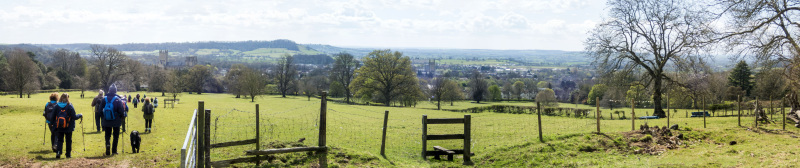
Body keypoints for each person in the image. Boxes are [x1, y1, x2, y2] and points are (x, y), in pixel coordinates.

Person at [51, 93, 82, 158]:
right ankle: (68, 154)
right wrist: (80, 115)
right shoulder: (70, 106)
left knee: (60, 140)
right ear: (68, 98)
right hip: (69, 127)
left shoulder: (57, 106)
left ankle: (58, 153)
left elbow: (53, 116)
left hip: (59, 126)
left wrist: (52, 124)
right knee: (68, 140)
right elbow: (74, 117)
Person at [100, 84, 127, 156]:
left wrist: (104, 117)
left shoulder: (104, 99)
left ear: (109, 90)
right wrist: (122, 116)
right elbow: (121, 111)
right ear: (115, 91)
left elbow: (100, 111)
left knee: (107, 135)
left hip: (106, 121)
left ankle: (107, 146)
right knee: (116, 135)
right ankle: (114, 151)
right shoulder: (118, 99)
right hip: (116, 121)